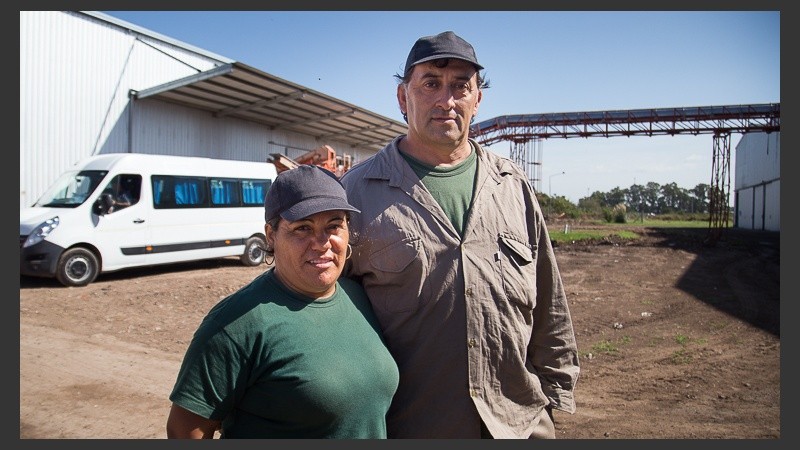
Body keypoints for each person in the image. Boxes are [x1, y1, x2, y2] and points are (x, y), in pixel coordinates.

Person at [339, 31, 579, 439]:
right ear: (403, 98)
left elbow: (548, 299)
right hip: (412, 426)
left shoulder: (511, 185)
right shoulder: (356, 193)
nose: (446, 100)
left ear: (477, 100)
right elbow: (328, 316)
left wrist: (554, 395)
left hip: (518, 421)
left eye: (460, 86)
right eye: (430, 83)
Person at [166, 164, 399, 439]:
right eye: (303, 228)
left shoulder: (356, 295)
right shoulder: (237, 323)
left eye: (334, 225)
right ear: (271, 235)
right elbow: (185, 430)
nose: (322, 242)